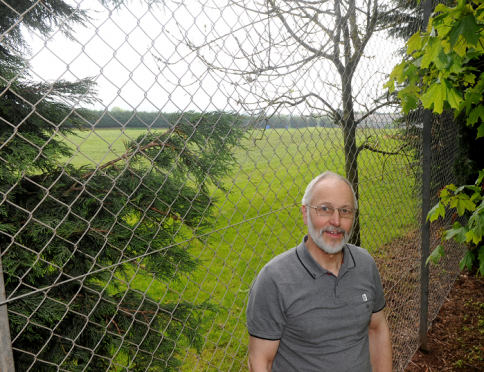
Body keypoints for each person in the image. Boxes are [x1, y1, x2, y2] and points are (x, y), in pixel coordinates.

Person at [246, 171, 392, 372]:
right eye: (325, 209)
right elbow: (260, 362)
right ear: (306, 213)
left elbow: (377, 329)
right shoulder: (274, 280)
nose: (336, 221)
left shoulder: (365, 264)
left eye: (345, 211)